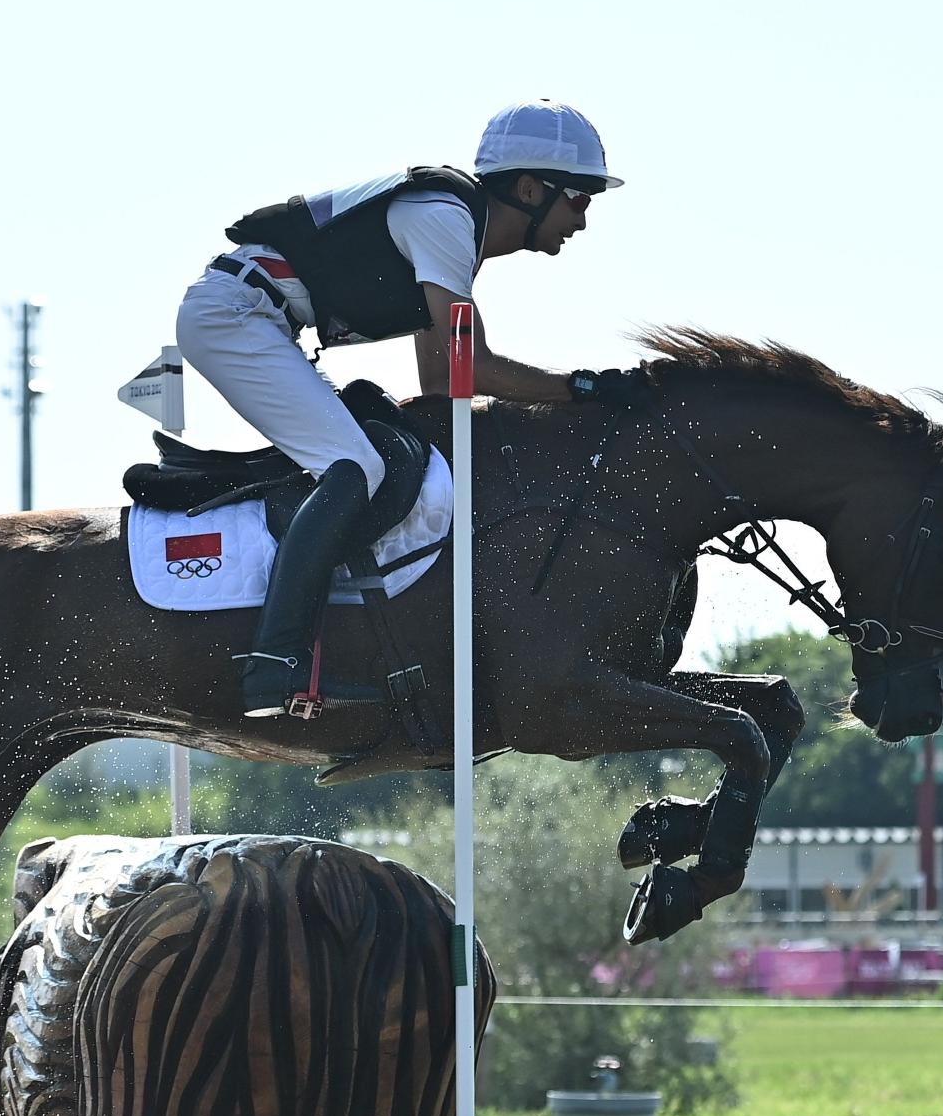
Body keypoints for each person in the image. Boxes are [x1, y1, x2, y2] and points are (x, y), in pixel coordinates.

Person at [176, 98, 622, 718]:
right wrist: (584, 389)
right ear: (529, 188)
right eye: (579, 197)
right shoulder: (445, 219)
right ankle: (275, 665)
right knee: (359, 469)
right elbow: (476, 368)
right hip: (236, 315)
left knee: (382, 459)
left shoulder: (454, 238)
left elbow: (443, 386)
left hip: (255, 317)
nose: (584, 218)